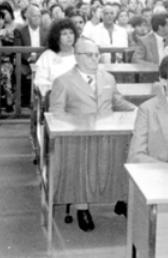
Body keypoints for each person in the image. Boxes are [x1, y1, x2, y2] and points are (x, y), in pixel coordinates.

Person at [50, 38, 135, 231]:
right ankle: (82, 207)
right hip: (80, 138)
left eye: (97, 55)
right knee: (83, 165)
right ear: (77, 57)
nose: (95, 59)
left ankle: (123, 199)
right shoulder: (63, 81)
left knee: (128, 153)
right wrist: (73, 127)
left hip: (110, 133)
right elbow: (56, 114)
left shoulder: (107, 78)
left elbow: (117, 100)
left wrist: (137, 110)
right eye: (89, 55)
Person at [33, 18, 78, 96]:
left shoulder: (81, 54)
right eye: (64, 34)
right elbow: (40, 81)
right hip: (55, 98)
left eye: (71, 33)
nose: (69, 36)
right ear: (57, 37)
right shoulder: (48, 56)